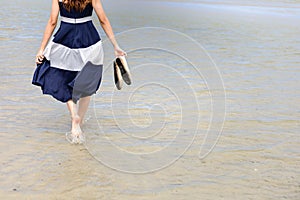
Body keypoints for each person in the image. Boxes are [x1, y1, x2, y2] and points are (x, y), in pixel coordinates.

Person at [32, 0, 126, 144]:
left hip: (64, 38)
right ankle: (79, 122)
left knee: (62, 78)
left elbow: (52, 22)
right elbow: (103, 20)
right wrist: (116, 46)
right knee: (87, 83)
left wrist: (41, 49)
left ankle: (74, 116)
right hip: (89, 40)